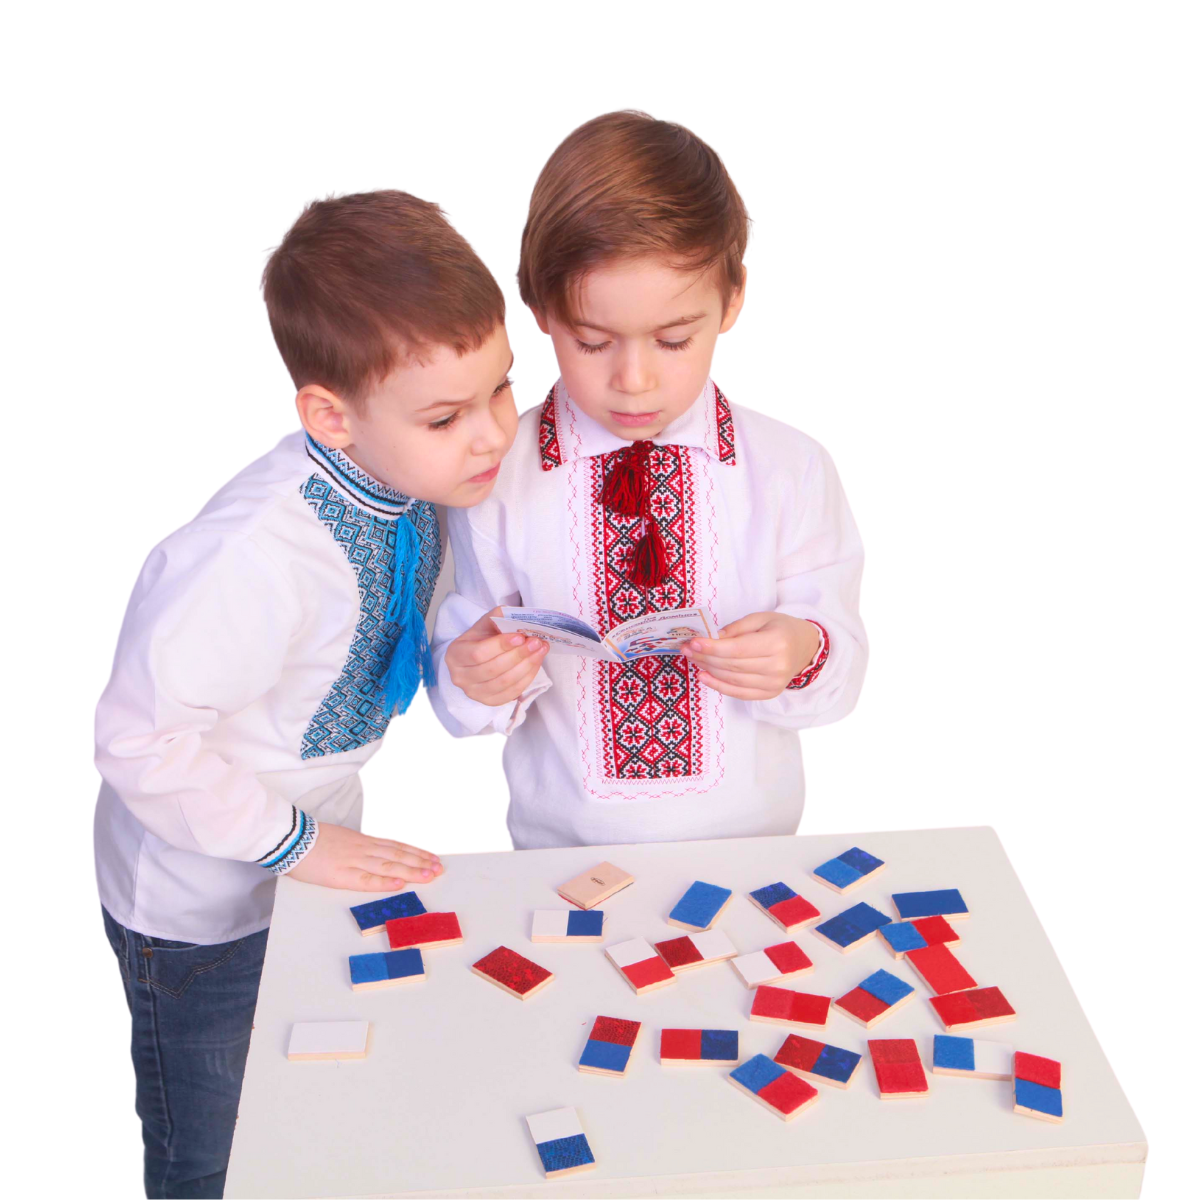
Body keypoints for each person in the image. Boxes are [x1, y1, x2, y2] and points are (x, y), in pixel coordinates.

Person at [93, 190, 527, 1198]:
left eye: (503, 389)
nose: (492, 435)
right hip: (197, 906)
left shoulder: (422, 490)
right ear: (332, 416)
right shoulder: (252, 556)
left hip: (312, 862)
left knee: (309, 1107)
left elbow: (413, 663)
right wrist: (300, 844)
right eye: (447, 415)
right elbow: (138, 740)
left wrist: (472, 673)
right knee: (215, 1150)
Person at [433, 111, 867, 849]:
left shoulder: (789, 468)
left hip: (754, 850)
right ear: (539, 309)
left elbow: (843, 660)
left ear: (731, 302)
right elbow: (455, 675)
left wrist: (799, 648)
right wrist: (474, 674)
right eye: (591, 341)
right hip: (559, 858)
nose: (633, 381)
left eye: (674, 340)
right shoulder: (495, 472)